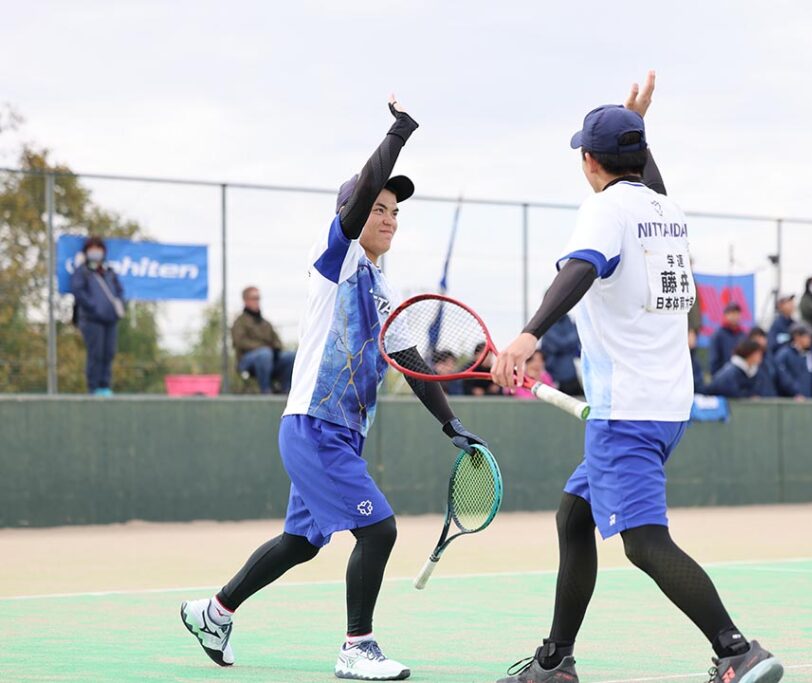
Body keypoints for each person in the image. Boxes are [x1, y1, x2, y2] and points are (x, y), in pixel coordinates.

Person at [179, 98, 487, 681]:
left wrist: (452, 424)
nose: (389, 218)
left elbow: (410, 362)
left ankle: (213, 613)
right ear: (353, 214)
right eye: (378, 208)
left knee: (301, 541)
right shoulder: (336, 260)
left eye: (395, 211)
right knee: (379, 529)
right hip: (314, 428)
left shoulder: (383, 289)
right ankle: (356, 647)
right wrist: (399, 134)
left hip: (340, 434)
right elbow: (363, 192)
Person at [489, 72, 781, 683]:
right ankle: (556, 660)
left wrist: (528, 335)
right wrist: (636, 125)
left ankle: (736, 650)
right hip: (666, 405)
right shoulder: (665, 209)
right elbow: (647, 184)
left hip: (626, 410)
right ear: (639, 156)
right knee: (575, 516)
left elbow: (580, 270)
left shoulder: (603, 210)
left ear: (589, 162)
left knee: (644, 541)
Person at [70, 236, 125, 396]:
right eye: (92, 248)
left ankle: (105, 386)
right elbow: (78, 291)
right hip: (91, 319)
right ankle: (93, 388)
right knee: (96, 354)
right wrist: (94, 308)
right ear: (86, 251)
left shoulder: (109, 272)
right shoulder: (83, 271)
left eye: (98, 248)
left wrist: (118, 306)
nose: (96, 252)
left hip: (110, 319)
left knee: (109, 353)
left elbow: (120, 291)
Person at [231, 287, 296, 394]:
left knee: (290, 356)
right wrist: (264, 348)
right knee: (264, 354)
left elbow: (277, 341)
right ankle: (266, 391)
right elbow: (241, 342)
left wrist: (275, 349)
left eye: (258, 298)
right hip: (247, 361)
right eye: (254, 298)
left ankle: (286, 391)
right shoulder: (240, 322)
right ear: (246, 300)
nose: (257, 301)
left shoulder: (265, 323)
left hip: (269, 358)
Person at [774, 323, 812, 400]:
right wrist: (795, 393)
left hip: (809, 400)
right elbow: (784, 378)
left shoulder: (811, 354)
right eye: (807, 336)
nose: (809, 339)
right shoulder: (784, 355)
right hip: (790, 401)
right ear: (797, 337)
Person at [541, 313, 583, 396]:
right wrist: (576, 334)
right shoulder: (547, 323)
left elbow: (578, 348)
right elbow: (561, 343)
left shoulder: (567, 320)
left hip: (571, 375)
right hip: (554, 377)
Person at [709, 301, 745, 375]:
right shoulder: (718, 335)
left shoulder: (743, 335)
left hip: (740, 377)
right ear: (725, 315)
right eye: (731, 313)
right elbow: (714, 361)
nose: (734, 316)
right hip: (723, 377)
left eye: (736, 313)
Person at [747, 327, 778, 398]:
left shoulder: (769, 357)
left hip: (771, 397)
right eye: (757, 338)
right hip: (757, 399)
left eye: (762, 337)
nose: (761, 341)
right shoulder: (748, 359)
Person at [689, 327, 707, 394]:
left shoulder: (695, 361)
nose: (693, 339)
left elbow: (699, 382)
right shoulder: (679, 359)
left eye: (694, 336)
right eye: (690, 336)